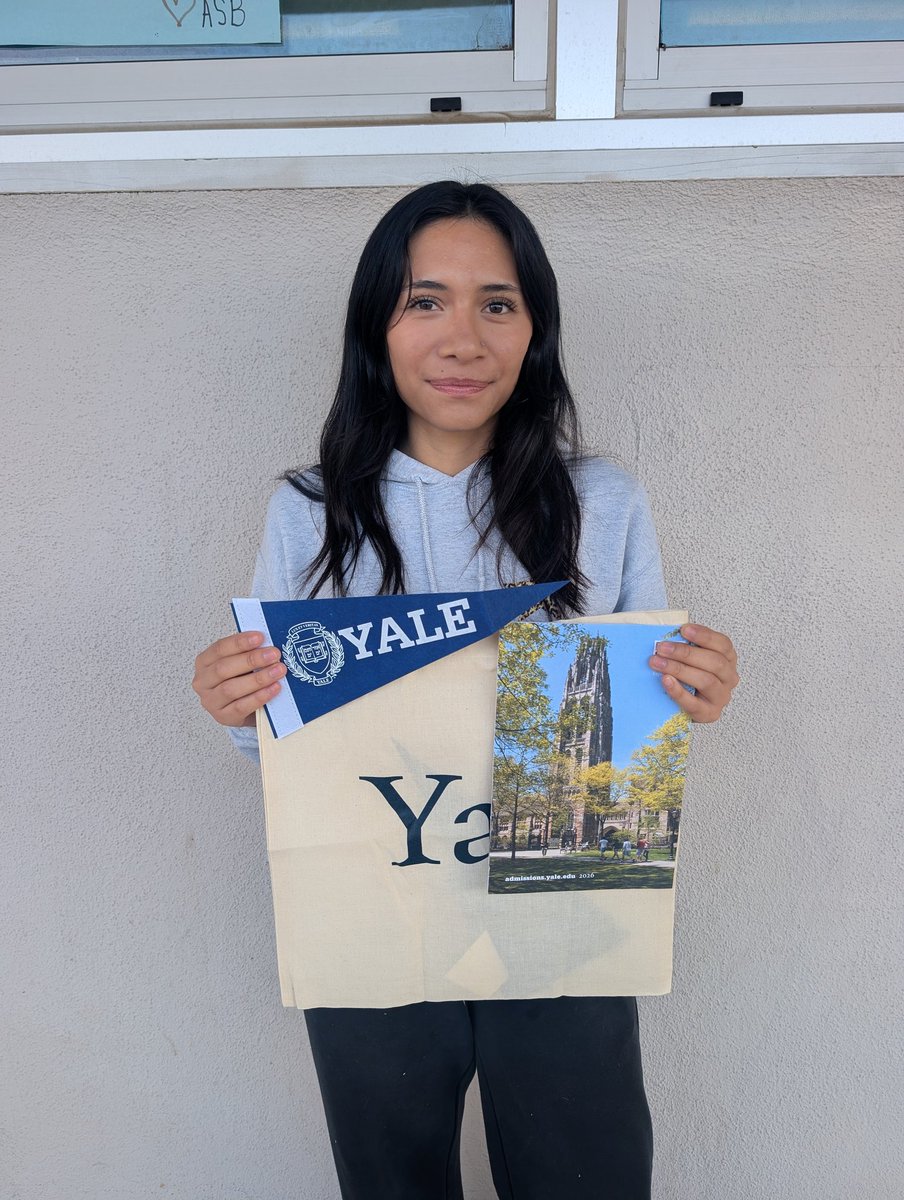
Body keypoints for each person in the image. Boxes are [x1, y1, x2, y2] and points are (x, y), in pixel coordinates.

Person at [191, 182, 740, 1200]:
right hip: (373, 893)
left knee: (588, 1175)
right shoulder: (309, 512)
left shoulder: (602, 500)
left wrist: (689, 691)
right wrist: (238, 701)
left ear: (535, 329)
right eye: (424, 301)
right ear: (377, 326)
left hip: (564, 888)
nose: (462, 338)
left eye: (497, 303)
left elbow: (631, 721)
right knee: (391, 1179)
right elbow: (278, 739)